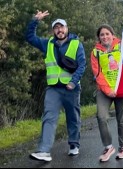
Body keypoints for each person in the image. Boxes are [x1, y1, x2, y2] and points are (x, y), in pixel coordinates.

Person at [26, 10, 86, 162]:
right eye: (56, 27)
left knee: (73, 118)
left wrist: (73, 82)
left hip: (71, 89)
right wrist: (35, 20)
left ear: (67, 28)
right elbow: (30, 37)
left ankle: (74, 144)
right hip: (53, 88)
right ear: (53, 31)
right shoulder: (47, 44)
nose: (60, 30)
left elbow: (82, 65)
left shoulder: (76, 44)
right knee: (49, 117)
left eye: (62, 27)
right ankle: (44, 151)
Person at [91, 24, 123, 162]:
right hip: (104, 89)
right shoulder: (95, 52)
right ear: (99, 38)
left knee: (122, 119)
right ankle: (108, 147)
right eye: (102, 35)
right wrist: (108, 90)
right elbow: (97, 73)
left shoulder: (122, 46)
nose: (105, 37)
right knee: (101, 117)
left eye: (107, 34)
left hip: (122, 88)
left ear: (113, 35)